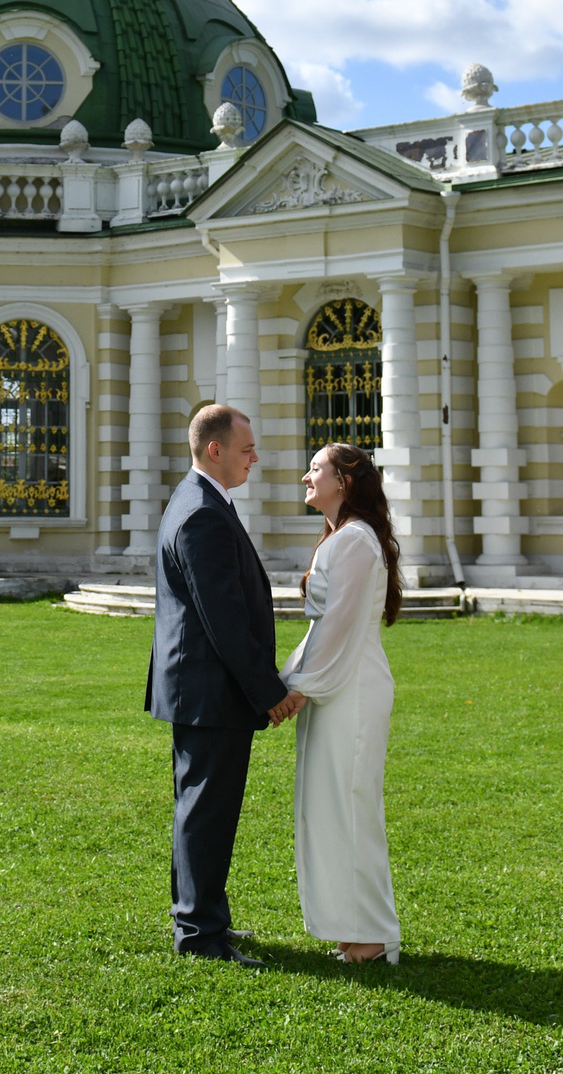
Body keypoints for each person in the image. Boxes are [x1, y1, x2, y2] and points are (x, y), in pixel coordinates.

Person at [145, 403, 299, 966]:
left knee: (200, 809)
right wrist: (272, 692)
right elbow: (224, 619)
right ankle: (200, 934)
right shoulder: (202, 513)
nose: (254, 458)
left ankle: (201, 915)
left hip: (203, 690)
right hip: (211, 693)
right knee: (206, 812)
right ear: (216, 450)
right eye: (246, 449)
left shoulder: (202, 501)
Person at [283, 443, 403, 965]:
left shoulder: (354, 541)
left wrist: (299, 687)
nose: (306, 476)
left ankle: (373, 936)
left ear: (345, 482)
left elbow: (340, 627)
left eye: (316, 469)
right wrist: (295, 678)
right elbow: (323, 629)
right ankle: (351, 929)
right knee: (331, 808)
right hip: (336, 683)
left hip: (351, 687)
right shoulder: (339, 537)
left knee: (350, 805)